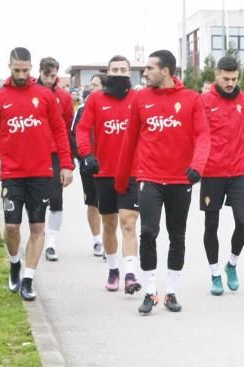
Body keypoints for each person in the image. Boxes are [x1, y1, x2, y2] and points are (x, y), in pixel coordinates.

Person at [115, 49, 209, 314]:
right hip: (149, 177)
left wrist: (197, 166)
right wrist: (122, 182)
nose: (144, 73)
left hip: (181, 179)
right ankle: (150, 292)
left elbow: (203, 135)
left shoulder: (191, 99)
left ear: (165, 71)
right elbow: (130, 140)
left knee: (177, 236)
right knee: (148, 232)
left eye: (149, 68)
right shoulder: (140, 98)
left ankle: (171, 292)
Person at [0, 47, 74, 301]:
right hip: (12, 173)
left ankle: (28, 278)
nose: (21, 74)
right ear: (9, 67)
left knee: (37, 226)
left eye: (25, 70)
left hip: (41, 173)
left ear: (31, 68)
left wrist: (66, 164)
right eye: (16, 70)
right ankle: (14, 263)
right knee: (11, 226)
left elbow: (59, 131)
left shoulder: (44, 96)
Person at [79, 55, 145, 294]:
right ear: (108, 72)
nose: (119, 73)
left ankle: (130, 274)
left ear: (130, 73)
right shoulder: (96, 100)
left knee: (129, 223)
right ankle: (113, 268)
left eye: (123, 69)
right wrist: (87, 154)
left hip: (131, 172)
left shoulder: (138, 98)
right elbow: (83, 129)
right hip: (103, 172)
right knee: (109, 224)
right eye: (114, 69)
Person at [200, 56, 244, 296]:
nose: (230, 83)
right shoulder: (204, 101)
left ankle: (231, 264)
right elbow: (198, 137)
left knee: (243, 222)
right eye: (226, 78)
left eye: (234, 79)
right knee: (211, 225)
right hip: (212, 173)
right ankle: (215, 273)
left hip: (237, 171)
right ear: (216, 75)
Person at [37, 57, 75, 262]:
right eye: (46, 75)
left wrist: (67, 161)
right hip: (34, 153)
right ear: (40, 72)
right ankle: (38, 235)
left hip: (55, 153)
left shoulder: (64, 97)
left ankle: (51, 242)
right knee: (36, 199)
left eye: (53, 76)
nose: (50, 80)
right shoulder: (31, 92)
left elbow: (66, 125)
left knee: (56, 197)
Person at [70, 73, 105, 259]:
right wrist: (82, 157)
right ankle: (97, 240)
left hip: (108, 165)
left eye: (95, 84)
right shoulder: (82, 110)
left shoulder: (113, 107)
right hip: (88, 165)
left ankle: (109, 241)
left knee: (109, 206)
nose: (91, 88)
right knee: (93, 204)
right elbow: (73, 135)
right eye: (91, 84)